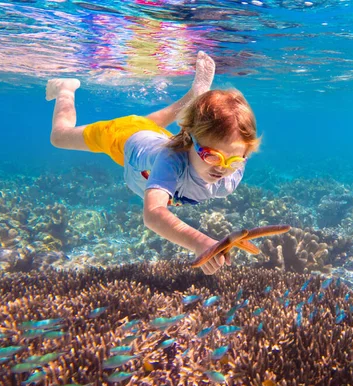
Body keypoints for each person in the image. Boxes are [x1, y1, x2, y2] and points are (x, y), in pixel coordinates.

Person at [45, 51, 260, 275]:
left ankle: (195, 98)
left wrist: (225, 157)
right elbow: (154, 212)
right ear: (190, 140)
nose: (222, 167)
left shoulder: (232, 167)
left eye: (235, 160)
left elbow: (222, 152)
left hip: (157, 136)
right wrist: (199, 243)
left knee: (150, 125)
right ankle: (66, 88)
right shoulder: (172, 160)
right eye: (212, 156)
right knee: (59, 136)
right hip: (122, 137)